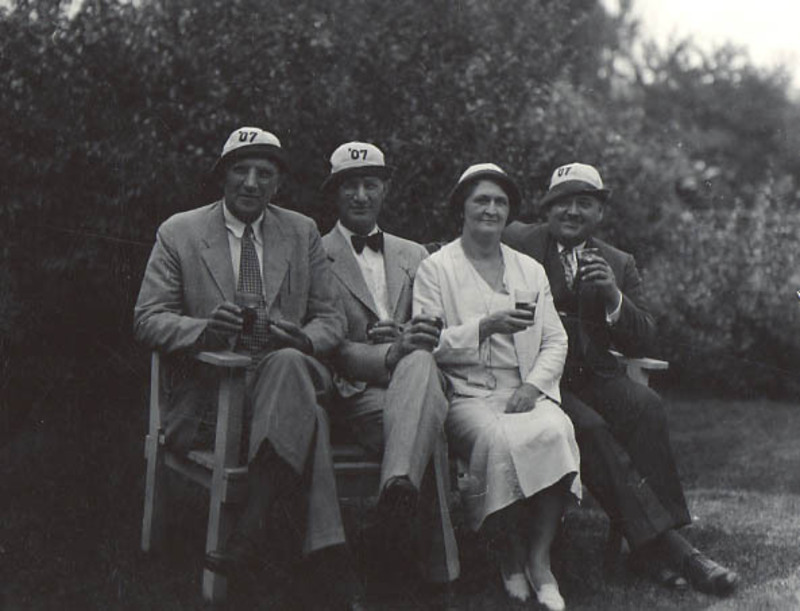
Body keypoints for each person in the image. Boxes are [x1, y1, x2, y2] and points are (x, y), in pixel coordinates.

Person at [133, 127, 364, 610]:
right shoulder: (180, 232)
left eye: (265, 173)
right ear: (222, 176)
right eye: (241, 170)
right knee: (311, 417)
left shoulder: (299, 231)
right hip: (214, 399)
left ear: (278, 183)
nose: (252, 182)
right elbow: (148, 318)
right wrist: (203, 331)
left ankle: (249, 529)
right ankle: (326, 558)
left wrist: (301, 337)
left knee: (285, 363)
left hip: (286, 373)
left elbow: (332, 319)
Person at [502, 162, 740, 596]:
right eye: (562, 203)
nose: (572, 212)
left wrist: (614, 296)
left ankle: (648, 549)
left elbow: (646, 337)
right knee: (589, 428)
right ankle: (675, 551)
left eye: (584, 203)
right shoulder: (517, 239)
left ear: (599, 213)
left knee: (646, 406)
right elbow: (458, 249)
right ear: (547, 208)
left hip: (594, 376)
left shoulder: (616, 261)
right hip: (539, 380)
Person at [414, 163, 581, 611]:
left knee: (557, 430)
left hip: (523, 389)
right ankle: (508, 556)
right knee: (498, 440)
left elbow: (555, 339)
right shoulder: (435, 269)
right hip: (466, 395)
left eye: (500, 202)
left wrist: (533, 385)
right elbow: (426, 345)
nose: (491, 209)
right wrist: (484, 327)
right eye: (481, 200)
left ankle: (539, 559)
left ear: (510, 213)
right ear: (462, 208)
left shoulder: (528, 270)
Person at [320, 142, 458, 585]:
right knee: (427, 419)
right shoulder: (315, 254)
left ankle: (393, 517)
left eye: (370, 185)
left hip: (413, 380)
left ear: (385, 190)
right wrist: (386, 353)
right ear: (334, 194)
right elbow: (326, 344)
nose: (361, 196)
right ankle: (428, 562)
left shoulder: (414, 253)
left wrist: (405, 340)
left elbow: (438, 323)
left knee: (419, 363)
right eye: (350, 187)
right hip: (353, 392)